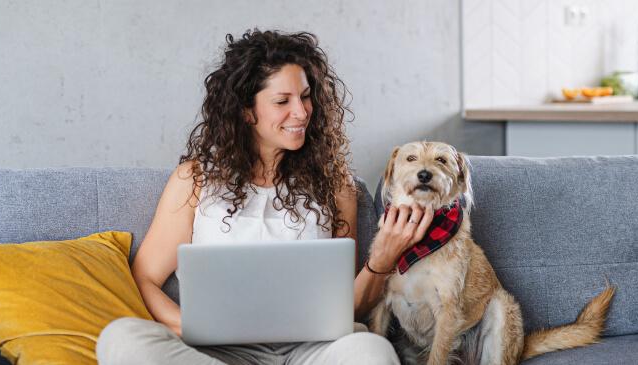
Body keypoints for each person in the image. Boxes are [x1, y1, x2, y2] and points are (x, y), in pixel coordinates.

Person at [95, 29, 434, 365]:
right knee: (122, 339)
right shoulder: (195, 179)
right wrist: (189, 326)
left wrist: (382, 261)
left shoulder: (336, 184)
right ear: (246, 110)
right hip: (214, 352)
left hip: (310, 350)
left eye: (305, 96)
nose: (301, 112)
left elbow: (348, 307)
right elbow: (145, 278)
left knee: (371, 351)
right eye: (282, 101)